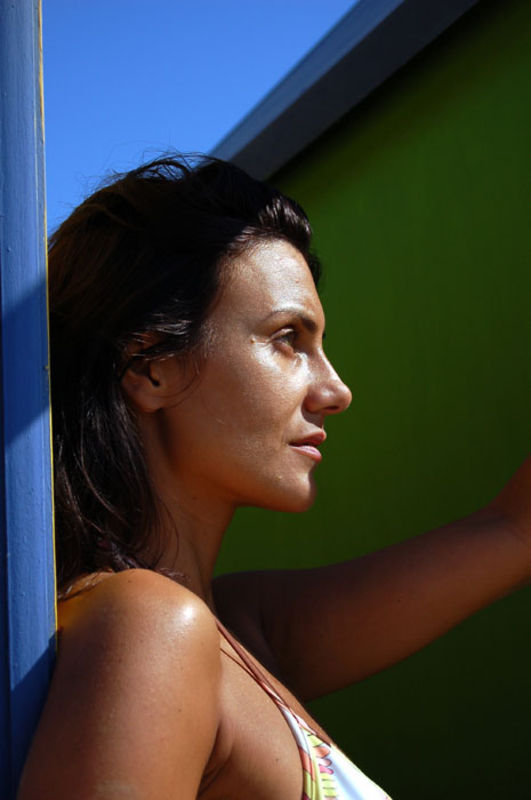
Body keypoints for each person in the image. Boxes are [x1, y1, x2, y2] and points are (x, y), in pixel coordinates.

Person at [18, 156, 530, 799]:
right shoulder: (152, 629)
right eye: (289, 338)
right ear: (151, 368)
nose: (336, 391)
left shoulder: (243, 629)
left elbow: (515, 531)